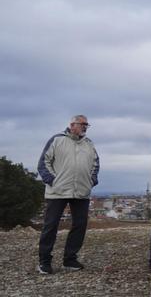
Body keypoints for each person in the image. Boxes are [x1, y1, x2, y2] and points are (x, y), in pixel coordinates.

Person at [36, 115, 99, 275]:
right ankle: (44, 262)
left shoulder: (89, 144)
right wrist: (52, 180)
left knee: (80, 225)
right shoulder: (57, 140)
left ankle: (70, 260)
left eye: (87, 124)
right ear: (72, 124)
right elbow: (43, 162)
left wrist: (91, 180)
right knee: (51, 226)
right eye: (82, 124)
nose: (85, 127)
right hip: (58, 191)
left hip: (81, 192)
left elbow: (95, 164)